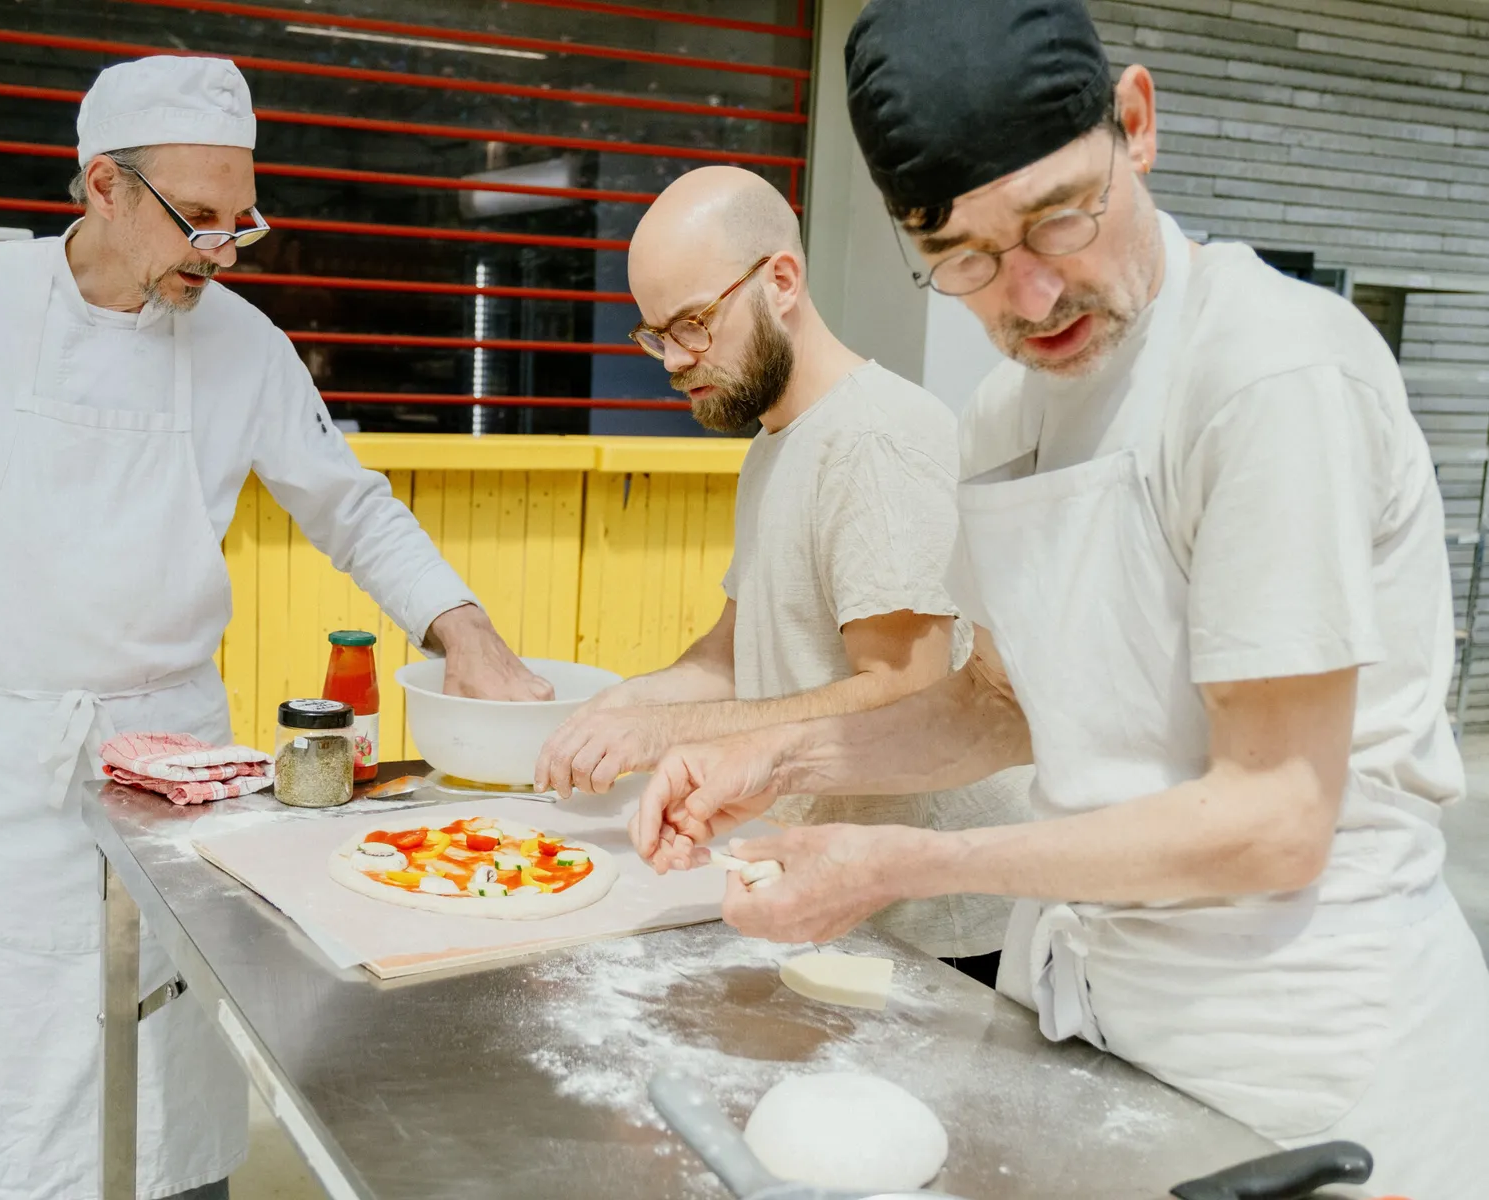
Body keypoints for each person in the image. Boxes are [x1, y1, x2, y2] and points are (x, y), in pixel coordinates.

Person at [628, 2, 1489, 1195]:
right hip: (1095, 1030)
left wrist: (898, 865)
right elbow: (996, 702)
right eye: (966, 262)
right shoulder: (1007, 416)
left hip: (1300, 1062)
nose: (1029, 299)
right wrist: (776, 763)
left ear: (1135, 125)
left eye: (1058, 221)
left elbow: (1272, 818)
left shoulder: (1270, 375)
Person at [0, 56, 549, 1200]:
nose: (223, 250)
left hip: (181, 763)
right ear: (101, 185)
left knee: (169, 1075)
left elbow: (350, 507)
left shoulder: (244, 344)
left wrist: (466, 630)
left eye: (243, 221)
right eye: (198, 220)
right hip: (5, 754)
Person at [533, 166, 1027, 980]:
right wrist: (618, 707)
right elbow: (732, 656)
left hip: (932, 927)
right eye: (656, 334)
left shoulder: (876, 439)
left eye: (693, 324)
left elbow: (909, 686)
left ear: (782, 281)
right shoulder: (778, 441)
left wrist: (665, 733)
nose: (674, 361)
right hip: (830, 895)